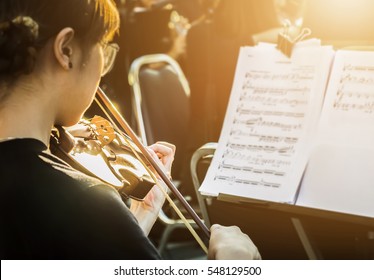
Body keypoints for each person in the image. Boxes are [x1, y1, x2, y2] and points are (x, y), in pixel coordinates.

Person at [0, 0, 260, 260]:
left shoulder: (85, 214)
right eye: (104, 49)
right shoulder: (83, 203)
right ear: (66, 50)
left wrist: (133, 223)